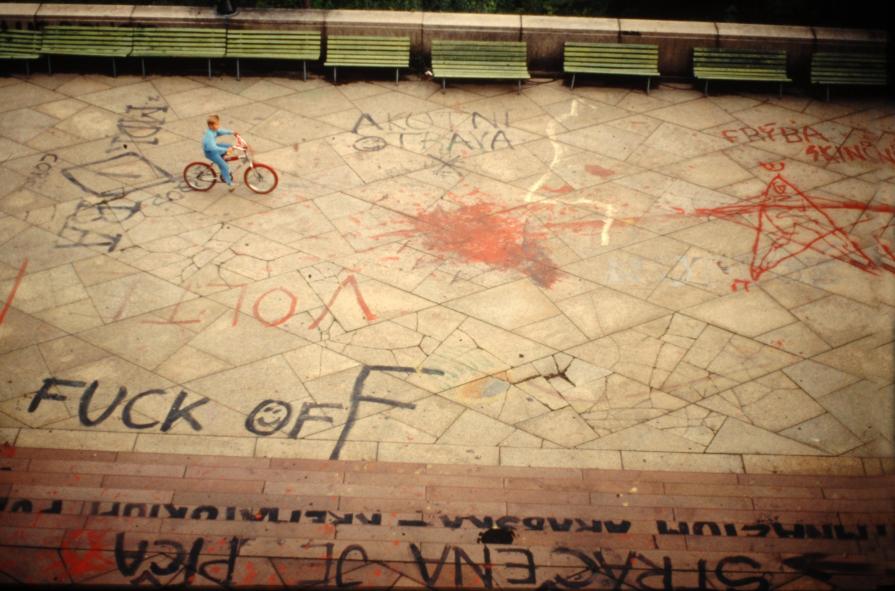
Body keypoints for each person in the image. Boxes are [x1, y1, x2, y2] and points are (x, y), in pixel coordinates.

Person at [203, 115, 237, 191]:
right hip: (211, 152)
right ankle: (229, 183)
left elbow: (221, 131)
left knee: (230, 146)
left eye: (218, 124)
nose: (218, 126)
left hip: (214, 147)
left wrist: (232, 132)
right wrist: (225, 150)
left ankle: (223, 157)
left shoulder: (214, 130)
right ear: (210, 125)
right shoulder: (209, 136)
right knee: (225, 166)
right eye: (216, 124)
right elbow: (212, 148)